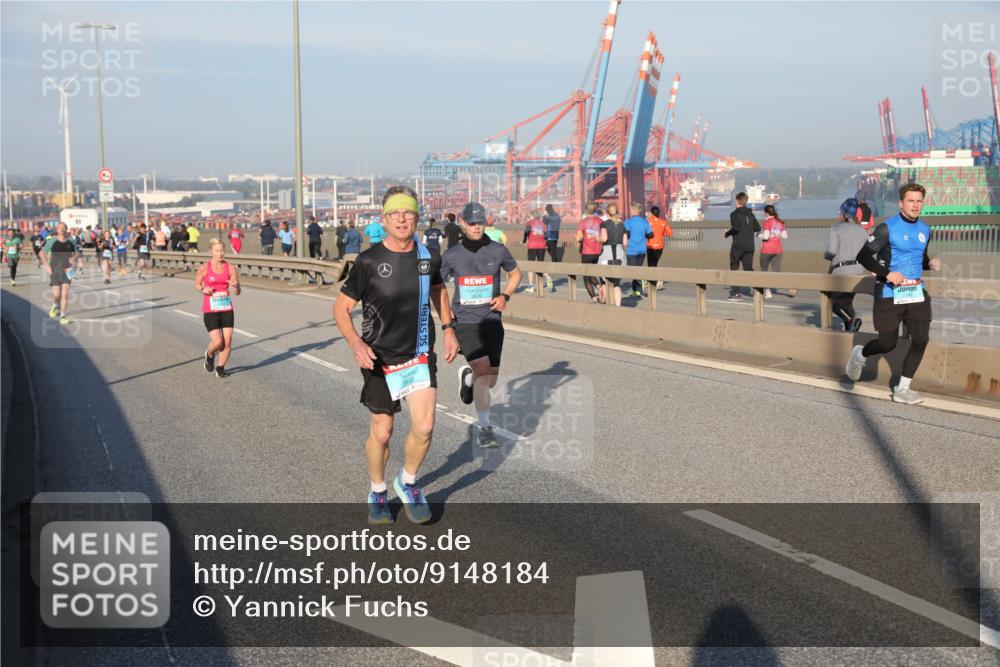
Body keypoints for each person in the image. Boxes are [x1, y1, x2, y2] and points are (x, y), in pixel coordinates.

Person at [333, 185, 460, 525]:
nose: (402, 219)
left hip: (417, 352)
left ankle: (408, 482)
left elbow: (437, 288)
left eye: (408, 213)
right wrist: (356, 345)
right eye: (395, 214)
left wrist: (448, 328)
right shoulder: (369, 261)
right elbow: (341, 309)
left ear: (417, 217)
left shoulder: (427, 256)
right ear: (384, 220)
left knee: (426, 425)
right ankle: (377, 490)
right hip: (378, 357)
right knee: (382, 432)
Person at [845, 183, 942, 404]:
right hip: (889, 293)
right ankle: (860, 355)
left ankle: (903, 389)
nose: (915, 205)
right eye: (911, 201)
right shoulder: (887, 228)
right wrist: (887, 274)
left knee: (921, 339)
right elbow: (864, 256)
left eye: (919, 201)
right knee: (888, 343)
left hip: (916, 292)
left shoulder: (925, 230)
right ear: (901, 203)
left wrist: (930, 263)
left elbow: (919, 257)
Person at [442, 201, 522, 448]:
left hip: (491, 321)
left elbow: (516, 273)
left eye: (480, 222)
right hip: (465, 321)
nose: (477, 227)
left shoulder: (497, 250)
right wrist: (446, 323)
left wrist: (505, 296)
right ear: (463, 224)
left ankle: (468, 378)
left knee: (490, 379)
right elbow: (438, 286)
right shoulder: (452, 255)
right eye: (472, 223)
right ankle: (485, 428)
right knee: (483, 369)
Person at [195, 238, 241, 379]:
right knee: (218, 342)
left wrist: (236, 287)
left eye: (222, 250)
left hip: (226, 307)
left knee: (227, 341)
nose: (220, 253)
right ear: (210, 252)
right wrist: (203, 289)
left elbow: (238, 291)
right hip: (210, 309)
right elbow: (197, 284)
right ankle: (209, 355)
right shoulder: (204, 267)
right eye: (217, 251)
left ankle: (220, 368)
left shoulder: (230, 267)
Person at [825, 198, 869, 332]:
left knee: (833, 302)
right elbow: (868, 252)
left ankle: (850, 320)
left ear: (844, 213)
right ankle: (850, 329)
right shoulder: (863, 230)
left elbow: (831, 251)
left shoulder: (835, 228)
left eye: (840, 211)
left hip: (841, 272)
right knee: (847, 302)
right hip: (858, 271)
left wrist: (827, 256)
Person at [39, 222, 77, 325]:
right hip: (55, 270)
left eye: (63, 228)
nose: (61, 230)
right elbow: (42, 253)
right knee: (57, 295)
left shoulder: (70, 241)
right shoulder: (52, 241)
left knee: (65, 294)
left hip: (68, 270)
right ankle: (55, 305)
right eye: (59, 228)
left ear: (66, 229)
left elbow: (77, 253)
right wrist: (46, 266)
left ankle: (63, 316)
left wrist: (74, 258)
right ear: (57, 230)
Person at [726, 191, 761, 301]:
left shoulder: (734, 214)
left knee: (734, 268)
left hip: (738, 246)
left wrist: (727, 233)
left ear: (737, 201)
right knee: (748, 268)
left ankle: (737, 294)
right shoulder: (751, 213)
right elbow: (757, 228)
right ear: (745, 202)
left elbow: (735, 228)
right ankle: (759, 288)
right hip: (750, 246)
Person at [598, 202, 626, 306]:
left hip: (607, 254)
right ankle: (618, 306)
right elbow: (625, 243)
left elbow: (604, 238)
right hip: (619, 254)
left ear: (607, 213)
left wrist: (598, 238)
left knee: (604, 281)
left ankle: (607, 303)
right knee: (617, 283)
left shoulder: (604, 224)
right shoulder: (622, 225)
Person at [623, 202, 653, 297]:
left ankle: (642, 281)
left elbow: (626, 234)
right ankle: (636, 291)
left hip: (632, 250)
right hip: (642, 250)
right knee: (638, 269)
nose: (630, 211)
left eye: (631, 209)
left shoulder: (628, 222)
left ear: (633, 210)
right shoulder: (645, 222)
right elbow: (651, 235)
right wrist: (643, 234)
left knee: (632, 271)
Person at [759, 204, 789, 299]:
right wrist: (776, 234)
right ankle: (790, 286)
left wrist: (758, 235)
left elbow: (766, 236)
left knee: (764, 271)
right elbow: (785, 236)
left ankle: (767, 292)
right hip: (778, 250)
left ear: (766, 213)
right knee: (777, 272)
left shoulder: (767, 222)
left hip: (767, 250)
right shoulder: (780, 222)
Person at [576, 202, 604, 302]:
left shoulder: (582, 222)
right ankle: (600, 287)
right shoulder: (601, 221)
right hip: (598, 251)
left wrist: (582, 237)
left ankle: (594, 298)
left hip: (587, 252)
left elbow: (578, 238)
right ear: (595, 210)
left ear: (586, 209)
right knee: (594, 272)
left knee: (586, 276)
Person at [645, 205, 672, 291]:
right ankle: (655, 281)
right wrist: (661, 234)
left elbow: (644, 232)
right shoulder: (663, 222)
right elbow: (669, 232)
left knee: (651, 265)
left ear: (652, 213)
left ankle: (655, 282)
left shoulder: (648, 222)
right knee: (655, 263)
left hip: (650, 246)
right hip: (660, 246)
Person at [523, 209, 549, 294]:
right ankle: (547, 276)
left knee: (531, 266)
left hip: (532, 246)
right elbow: (546, 235)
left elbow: (526, 232)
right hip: (542, 246)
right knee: (540, 264)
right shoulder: (543, 224)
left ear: (533, 216)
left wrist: (524, 240)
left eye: (530, 216)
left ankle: (531, 286)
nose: (529, 217)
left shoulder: (529, 223)